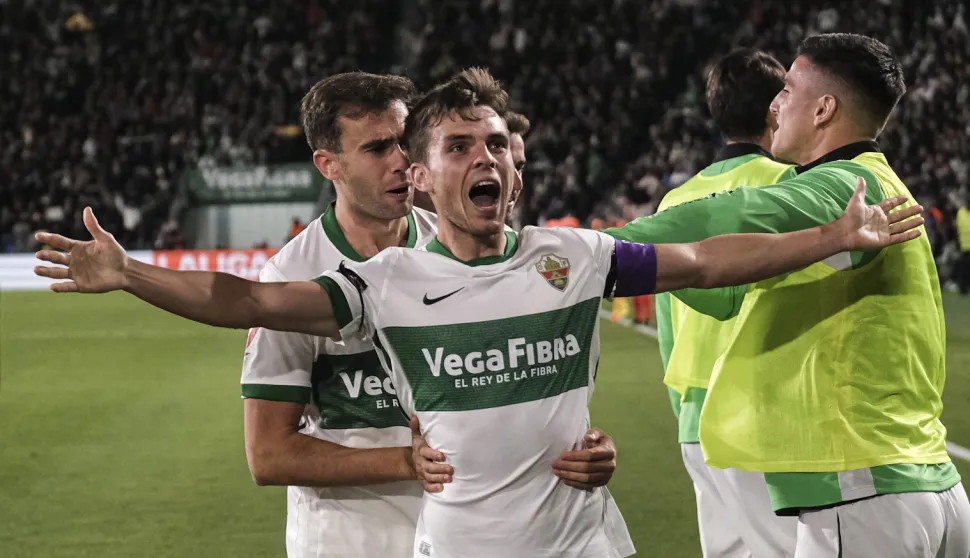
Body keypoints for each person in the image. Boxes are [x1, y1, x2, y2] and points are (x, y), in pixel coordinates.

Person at [33, 67, 922, 558]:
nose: (484, 157)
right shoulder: (385, 284)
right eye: (459, 145)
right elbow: (249, 300)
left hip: (586, 547)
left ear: (517, 161)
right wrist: (132, 273)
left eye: (497, 142)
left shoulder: (570, 257)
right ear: (422, 174)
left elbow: (700, 260)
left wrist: (833, 235)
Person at [610, 34, 970, 557]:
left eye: (789, 89)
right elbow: (723, 291)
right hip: (923, 483)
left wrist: (590, 253)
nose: (775, 103)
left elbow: (730, 215)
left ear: (825, 109)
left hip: (861, 493)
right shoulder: (878, 185)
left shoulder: (841, 190)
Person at [240, 71, 623, 557]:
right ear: (328, 164)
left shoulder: (455, 243)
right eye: (378, 149)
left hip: (460, 537)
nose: (401, 161)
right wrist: (404, 461)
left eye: (404, 142)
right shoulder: (294, 275)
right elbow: (268, 455)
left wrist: (585, 448)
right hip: (353, 541)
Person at [653, 48, 798, 557]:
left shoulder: (675, 202)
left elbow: (667, 326)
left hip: (696, 420)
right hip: (766, 416)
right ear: (777, 108)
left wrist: (684, 417)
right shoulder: (789, 189)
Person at [957, 193, 970, 294]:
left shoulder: (961, 212)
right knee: (965, 269)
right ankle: (963, 288)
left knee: (965, 269)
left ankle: (963, 288)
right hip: (965, 246)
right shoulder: (961, 212)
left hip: (964, 246)